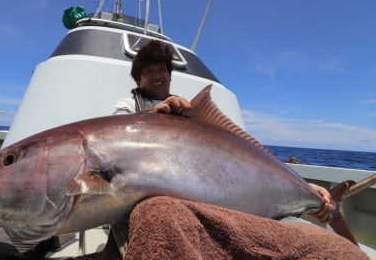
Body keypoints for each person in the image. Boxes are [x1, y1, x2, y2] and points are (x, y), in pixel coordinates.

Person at [113, 39, 334, 225]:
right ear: (138, 79)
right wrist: (154, 114)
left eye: (161, 69)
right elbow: (115, 138)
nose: (156, 75)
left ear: (170, 75)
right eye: (148, 71)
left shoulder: (187, 111)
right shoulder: (128, 105)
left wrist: (308, 187)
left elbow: (238, 160)